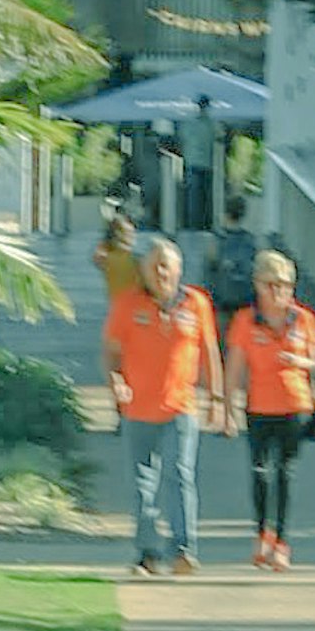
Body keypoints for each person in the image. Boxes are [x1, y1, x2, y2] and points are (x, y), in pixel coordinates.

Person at [106, 234, 219, 576]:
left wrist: (217, 398)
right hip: (138, 409)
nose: (160, 273)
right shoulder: (127, 304)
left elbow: (210, 352)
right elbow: (112, 350)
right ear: (143, 270)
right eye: (154, 267)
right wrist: (115, 379)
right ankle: (147, 554)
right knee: (143, 482)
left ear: (178, 269)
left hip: (180, 407)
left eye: (166, 266)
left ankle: (183, 550)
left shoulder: (196, 304)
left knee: (180, 475)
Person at [226, 248, 315, 572]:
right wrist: (226, 407)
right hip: (259, 406)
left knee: (284, 472)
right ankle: (262, 535)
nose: (279, 291)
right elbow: (235, 368)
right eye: (272, 284)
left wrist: (299, 361)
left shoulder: (304, 319)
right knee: (259, 473)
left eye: (285, 285)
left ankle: (281, 541)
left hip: (295, 406)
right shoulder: (245, 320)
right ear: (258, 285)